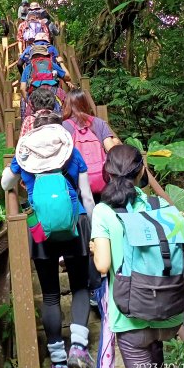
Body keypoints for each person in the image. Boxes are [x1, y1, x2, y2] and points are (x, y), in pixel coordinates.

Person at [1, 112, 96, 368]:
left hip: (41, 230)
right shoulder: (72, 153)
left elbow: (7, 183)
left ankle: (58, 365)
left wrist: (22, 190)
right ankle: (78, 347)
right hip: (76, 223)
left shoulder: (25, 157)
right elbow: (87, 195)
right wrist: (93, 228)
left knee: (52, 295)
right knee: (79, 287)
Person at [91, 145, 183, 368]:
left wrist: (96, 246)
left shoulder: (104, 211)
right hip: (167, 312)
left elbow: (102, 265)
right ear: (142, 171)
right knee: (156, 366)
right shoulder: (160, 204)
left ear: (107, 173)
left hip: (130, 317)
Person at [62, 89, 121, 304]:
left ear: (67, 105)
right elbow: (111, 151)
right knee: (103, 231)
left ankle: (90, 284)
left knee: (85, 236)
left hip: (78, 187)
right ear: (87, 103)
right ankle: (107, 282)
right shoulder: (98, 123)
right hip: (103, 184)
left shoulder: (65, 126)